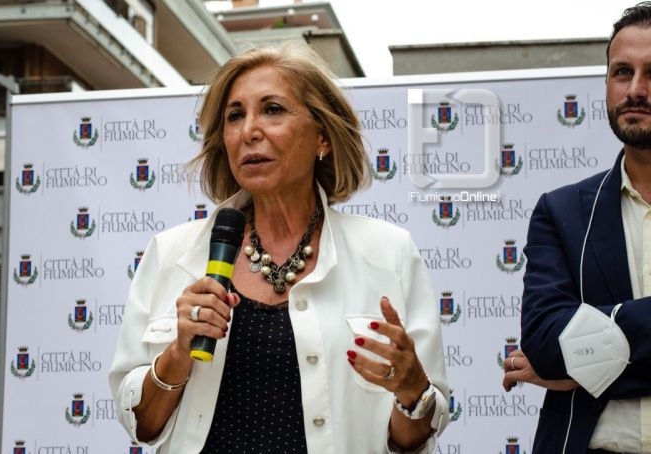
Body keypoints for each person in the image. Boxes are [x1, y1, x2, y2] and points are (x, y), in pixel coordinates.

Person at [108, 41, 449, 453]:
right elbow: (141, 426)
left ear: (322, 136)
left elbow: (414, 441)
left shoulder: (389, 253)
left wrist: (412, 390)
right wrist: (178, 352)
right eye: (235, 116)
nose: (249, 131)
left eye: (272, 110)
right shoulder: (171, 254)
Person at [502, 3, 651, 453]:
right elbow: (546, 345)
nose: (636, 89)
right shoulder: (562, 211)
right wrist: (561, 364)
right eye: (622, 72)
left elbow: (563, 360)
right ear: (606, 84)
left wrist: (585, 371)